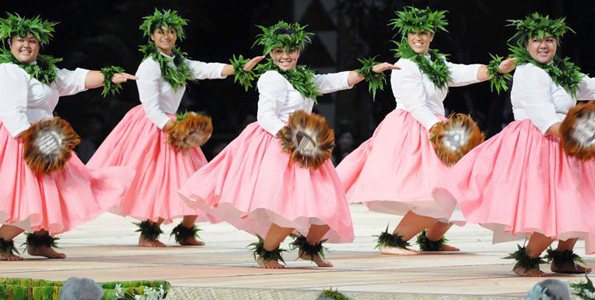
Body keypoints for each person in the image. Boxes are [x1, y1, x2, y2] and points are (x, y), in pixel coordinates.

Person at [179, 21, 397, 268]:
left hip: (306, 144)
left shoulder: (302, 77)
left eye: (290, 50)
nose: (285, 56)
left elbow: (331, 81)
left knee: (330, 201)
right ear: (271, 54)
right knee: (289, 205)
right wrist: (293, 137)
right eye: (279, 51)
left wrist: (368, 71)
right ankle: (267, 252)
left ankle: (309, 248)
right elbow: (266, 116)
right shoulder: (271, 77)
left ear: (298, 51)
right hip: (280, 144)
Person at [336, 6, 515, 255]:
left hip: (436, 125)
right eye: (413, 33)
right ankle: (393, 241)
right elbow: (415, 105)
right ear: (406, 36)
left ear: (431, 36)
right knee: (438, 190)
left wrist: (495, 69)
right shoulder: (404, 66)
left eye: (424, 33)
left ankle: (432, 239)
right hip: (414, 129)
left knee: (459, 187)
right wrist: (438, 129)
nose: (418, 37)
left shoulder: (436, 63)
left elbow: (461, 72)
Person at [433, 12, 595, 277]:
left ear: (557, 44)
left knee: (583, 201)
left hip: (564, 140)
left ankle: (563, 258)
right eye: (536, 40)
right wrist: (581, 135)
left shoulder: (560, 71)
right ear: (527, 45)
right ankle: (527, 261)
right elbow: (543, 116)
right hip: (541, 143)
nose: (544, 45)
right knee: (553, 203)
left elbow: (588, 87)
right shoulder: (530, 72)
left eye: (550, 40)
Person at [87, 9, 263, 248]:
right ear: (152, 36)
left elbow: (206, 69)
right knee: (158, 180)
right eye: (161, 32)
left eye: (171, 32)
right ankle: (148, 233)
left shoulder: (178, 62)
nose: (166, 36)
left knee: (194, 178)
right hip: (154, 126)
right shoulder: (149, 65)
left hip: (175, 125)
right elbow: (150, 106)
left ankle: (186, 230)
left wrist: (239, 68)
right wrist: (173, 128)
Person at [0, 13, 135, 260]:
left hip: (46, 139)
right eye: (21, 40)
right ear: (10, 43)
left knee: (56, 192)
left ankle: (39, 241)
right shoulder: (9, 71)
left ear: (39, 46)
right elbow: (11, 111)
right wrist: (33, 142)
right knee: (35, 196)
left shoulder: (44, 71)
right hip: (22, 140)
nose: (26, 45)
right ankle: (1, 241)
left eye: (32, 40)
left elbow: (73, 79)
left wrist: (109, 76)